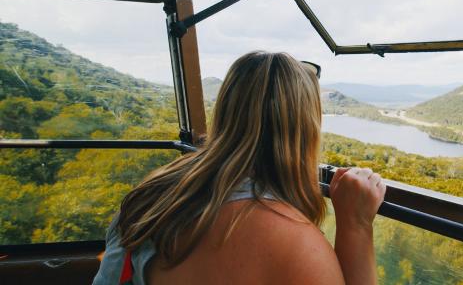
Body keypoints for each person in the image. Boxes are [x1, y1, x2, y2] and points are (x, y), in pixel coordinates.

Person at [92, 51, 386, 285]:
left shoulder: (156, 196)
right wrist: (356, 225)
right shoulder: (290, 241)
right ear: (305, 132)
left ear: (225, 111)